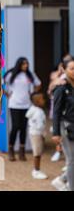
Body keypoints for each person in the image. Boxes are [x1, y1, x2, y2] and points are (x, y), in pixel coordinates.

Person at [4, 57, 42, 161]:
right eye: (23, 64)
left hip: (26, 105)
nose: (26, 66)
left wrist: (32, 93)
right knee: (15, 126)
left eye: (27, 64)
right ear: (19, 64)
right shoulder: (11, 74)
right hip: (14, 104)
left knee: (23, 128)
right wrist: (7, 94)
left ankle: (22, 152)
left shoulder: (30, 74)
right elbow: (0, 84)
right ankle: (11, 150)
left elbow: (38, 84)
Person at [52, 57, 74, 191]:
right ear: (65, 70)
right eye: (72, 68)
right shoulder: (61, 88)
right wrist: (56, 133)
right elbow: (56, 111)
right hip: (65, 127)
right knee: (71, 160)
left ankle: (62, 180)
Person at [26, 91, 48, 179]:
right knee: (37, 154)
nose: (44, 100)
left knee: (37, 153)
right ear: (37, 101)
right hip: (37, 134)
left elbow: (27, 116)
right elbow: (40, 126)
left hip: (33, 132)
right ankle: (36, 171)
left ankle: (36, 170)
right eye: (42, 99)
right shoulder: (39, 112)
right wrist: (43, 135)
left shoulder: (32, 109)